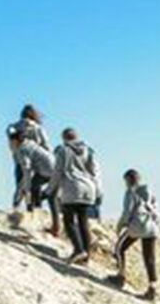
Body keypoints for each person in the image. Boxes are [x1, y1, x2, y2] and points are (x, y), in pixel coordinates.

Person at [50, 128, 101, 264]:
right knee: (83, 222)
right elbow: (95, 171)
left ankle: (78, 250)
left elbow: (57, 171)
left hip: (72, 187)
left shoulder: (63, 150)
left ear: (64, 138)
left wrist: (50, 189)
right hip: (89, 187)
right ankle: (86, 256)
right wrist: (98, 191)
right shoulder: (88, 150)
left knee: (69, 221)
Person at [109, 169, 159, 301]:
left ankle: (120, 276)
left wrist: (120, 226)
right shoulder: (149, 191)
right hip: (152, 227)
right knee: (149, 258)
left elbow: (127, 212)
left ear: (128, 180)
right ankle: (152, 288)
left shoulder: (130, 192)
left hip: (137, 226)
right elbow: (155, 208)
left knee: (119, 249)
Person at [10, 130, 59, 236]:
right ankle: (56, 227)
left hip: (47, 171)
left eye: (11, 141)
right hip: (57, 170)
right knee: (52, 198)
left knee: (31, 188)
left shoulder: (22, 150)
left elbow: (26, 170)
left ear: (16, 141)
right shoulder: (31, 143)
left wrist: (26, 188)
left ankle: (32, 214)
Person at [6, 105, 50, 189]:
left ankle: (18, 201)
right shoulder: (38, 128)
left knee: (20, 186)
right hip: (37, 160)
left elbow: (11, 143)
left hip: (20, 159)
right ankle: (35, 201)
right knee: (35, 186)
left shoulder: (14, 127)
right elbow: (46, 145)